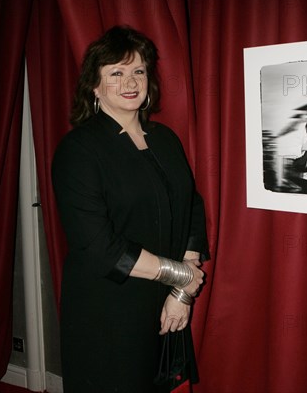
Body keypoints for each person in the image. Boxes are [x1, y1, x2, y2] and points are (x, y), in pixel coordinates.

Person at [51, 25, 209, 392]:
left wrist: (181, 292)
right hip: (108, 306)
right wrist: (180, 276)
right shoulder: (79, 151)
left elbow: (191, 208)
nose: (130, 82)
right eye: (116, 73)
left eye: (138, 70)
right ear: (94, 85)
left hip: (165, 297)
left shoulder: (165, 139)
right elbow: (98, 246)